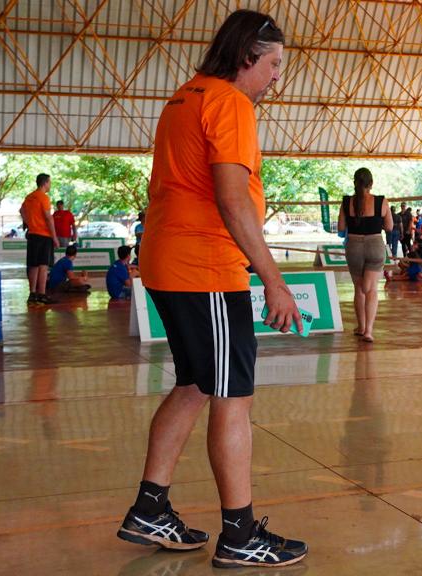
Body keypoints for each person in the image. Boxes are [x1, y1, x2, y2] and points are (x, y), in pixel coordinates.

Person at [116, 11, 308, 569]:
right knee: (232, 397)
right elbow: (231, 198)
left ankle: (150, 507)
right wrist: (273, 279)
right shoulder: (229, 103)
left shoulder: (185, 97)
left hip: (167, 260)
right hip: (205, 269)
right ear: (250, 55)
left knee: (197, 383)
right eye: (273, 64)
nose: (276, 77)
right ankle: (240, 532)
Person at [339, 167, 392, 343]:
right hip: (375, 245)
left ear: (355, 182)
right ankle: (369, 330)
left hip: (354, 246)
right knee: (371, 289)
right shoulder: (381, 201)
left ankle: (361, 327)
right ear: (371, 183)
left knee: (359, 289)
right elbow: (390, 227)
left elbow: (340, 228)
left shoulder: (347, 202)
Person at [20, 173, 60, 305]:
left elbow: (21, 210)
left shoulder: (30, 197)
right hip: (44, 235)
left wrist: (29, 223)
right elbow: (48, 218)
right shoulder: (43, 197)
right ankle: (42, 293)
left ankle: (32, 293)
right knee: (43, 265)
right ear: (45, 183)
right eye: (50, 182)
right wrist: (54, 237)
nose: (50, 185)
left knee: (33, 265)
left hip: (32, 234)